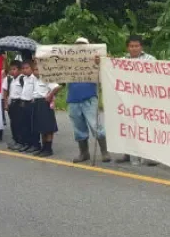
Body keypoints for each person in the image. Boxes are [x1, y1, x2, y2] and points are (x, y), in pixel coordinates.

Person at [66, 37, 110, 164]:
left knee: (95, 125)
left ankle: (104, 151)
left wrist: (100, 63)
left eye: (83, 46)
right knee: (78, 127)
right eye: (78, 46)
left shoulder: (95, 61)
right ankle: (84, 152)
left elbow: (105, 75)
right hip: (73, 98)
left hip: (89, 97)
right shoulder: (68, 62)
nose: (80, 48)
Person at [116, 35, 157, 165]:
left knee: (145, 127)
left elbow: (158, 75)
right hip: (127, 99)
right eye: (131, 46)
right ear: (127, 47)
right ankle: (128, 154)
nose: (134, 48)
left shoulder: (150, 60)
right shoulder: (121, 61)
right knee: (128, 126)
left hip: (145, 99)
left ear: (141, 47)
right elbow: (110, 70)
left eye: (136, 46)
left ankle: (149, 156)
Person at [31, 63, 61, 157]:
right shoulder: (35, 80)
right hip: (37, 103)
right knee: (41, 127)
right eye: (35, 70)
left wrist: (50, 95)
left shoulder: (47, 78)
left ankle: (48, 149)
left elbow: (57, 87)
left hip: (45, 103)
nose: (36, 72)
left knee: (48, 128)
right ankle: (43, 148)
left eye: (38, 69)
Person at [17, 60, 40, 153]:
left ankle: (35, 144)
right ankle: (27, 143)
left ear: (31, 68)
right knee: (24, 125)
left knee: (32, 126)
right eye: (23, 68)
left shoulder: (34, 78)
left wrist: (33, 100)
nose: (25, 70)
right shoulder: (23, 78)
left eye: (27, 68)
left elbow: (36, 90)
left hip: (31, 103)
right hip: (24, 102)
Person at [5, 61, 25, 150]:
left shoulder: (22, 79)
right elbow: (8, 92)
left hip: (19, 103)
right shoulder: (11, 79)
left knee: (19, 124)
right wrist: (7, 103)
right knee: (13, 123)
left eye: (14, 69)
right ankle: (15, 140)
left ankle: (21, 142)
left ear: (20, 70)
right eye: (11, 69)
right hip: (12, 103)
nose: (12, 71)